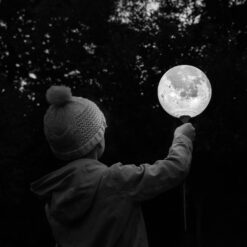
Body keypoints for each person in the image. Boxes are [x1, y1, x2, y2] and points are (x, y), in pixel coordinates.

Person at [31, 85, 195, 247]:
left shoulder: (53, 196)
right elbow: (175, 169)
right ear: (98, 141)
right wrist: (182, 138)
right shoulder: (115, 181)